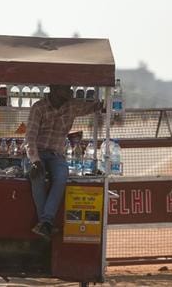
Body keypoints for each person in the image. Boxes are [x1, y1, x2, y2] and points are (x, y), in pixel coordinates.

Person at [26, 84, 102, 240]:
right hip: (37, 152)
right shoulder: (39, 108)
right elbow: (30, 138)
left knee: (62, 175)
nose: (70, 91)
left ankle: (44, 223)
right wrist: (35, 160)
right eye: (65, 88)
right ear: (54, 90)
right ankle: (46, 222)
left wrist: (107, 103)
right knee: (37, 177)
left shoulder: (72, 106)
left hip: (56, 154)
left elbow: (92, 107)